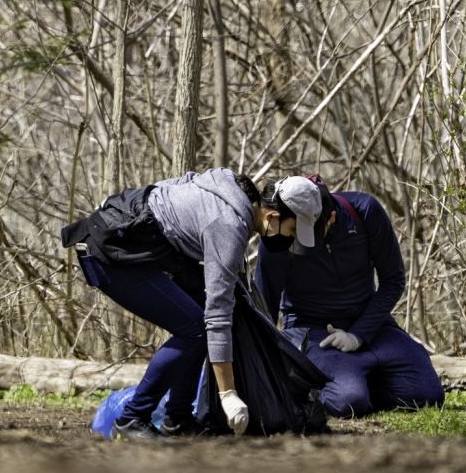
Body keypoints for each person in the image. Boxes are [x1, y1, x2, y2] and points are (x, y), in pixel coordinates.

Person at [61, 168, 322, 440]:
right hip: (112, 255)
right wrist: (228, 394)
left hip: (129, 248)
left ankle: (178, 418)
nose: (290, 240)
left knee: (195, 324)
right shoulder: (229, 225)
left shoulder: (228, 184)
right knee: (196, 329)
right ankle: (132, 418)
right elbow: (217, 315)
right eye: (291, 231)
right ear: (272, 216)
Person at [254, 176, 444, 417]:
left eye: (308, 234)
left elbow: (393, 281)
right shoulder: (279, 238)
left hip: (371, 326)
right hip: (312, 331)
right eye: (295, 233)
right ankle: (342, 384)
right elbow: (263, 306)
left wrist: (358, 335)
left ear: (330, 218)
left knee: (428, 395)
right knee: (349, 402)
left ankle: (360, 378)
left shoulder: (364, 212)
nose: (297, 242)